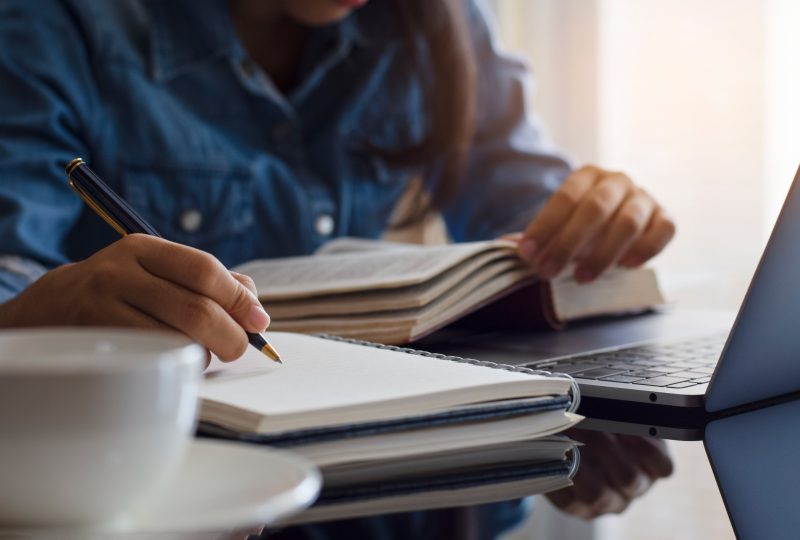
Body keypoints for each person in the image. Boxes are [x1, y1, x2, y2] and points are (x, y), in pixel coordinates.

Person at [0, 0, 674, 537]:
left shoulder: (433, 18)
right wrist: (40, 310)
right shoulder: (58, 24)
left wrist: (598, 217)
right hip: (136, 481)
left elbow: (527, 210)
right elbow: (11, 268)